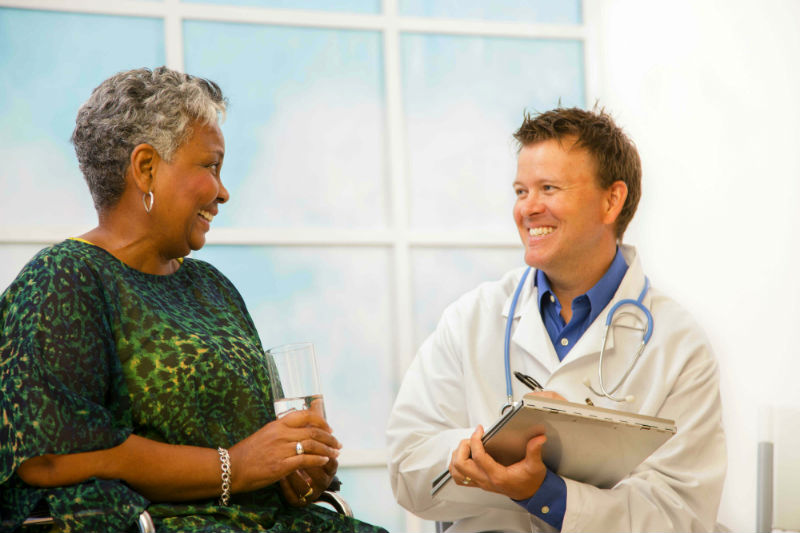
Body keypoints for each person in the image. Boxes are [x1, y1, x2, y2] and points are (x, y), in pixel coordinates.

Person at [0, 66, 385, 533]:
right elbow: (52, 457)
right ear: (146, 168)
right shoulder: (66, 278)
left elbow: (259, 446)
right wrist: (235, 467)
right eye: (210, 166)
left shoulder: (211, 287)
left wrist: (293, 467)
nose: (223, 192)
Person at [386, 107, 726, 532]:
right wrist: (492, 448)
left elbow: (683, 515)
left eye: (548, 188)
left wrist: (548, 495)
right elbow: (406, 467)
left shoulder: (678, 344)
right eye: (520, 191)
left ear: (611, 200)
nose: (528, 209)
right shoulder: (471, 319)